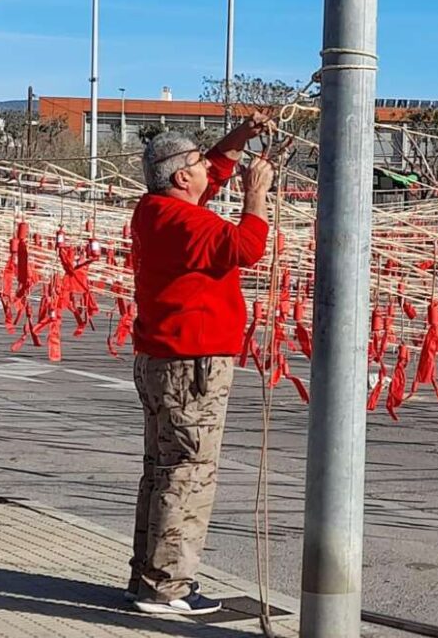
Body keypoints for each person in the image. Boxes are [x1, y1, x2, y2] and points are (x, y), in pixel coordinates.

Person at [127, 115, 274, 616]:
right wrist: (257, 195)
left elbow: (213, 164)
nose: (207, 170)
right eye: (195, 164)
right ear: (179, 178)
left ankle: (147, 577)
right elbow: (245, 248)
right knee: (187, 474)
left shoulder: (156, 209)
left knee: (162, 470)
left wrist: (239, 139)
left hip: (163, 360)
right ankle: (168, 587)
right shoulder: (185, 221)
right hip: (191, 365)